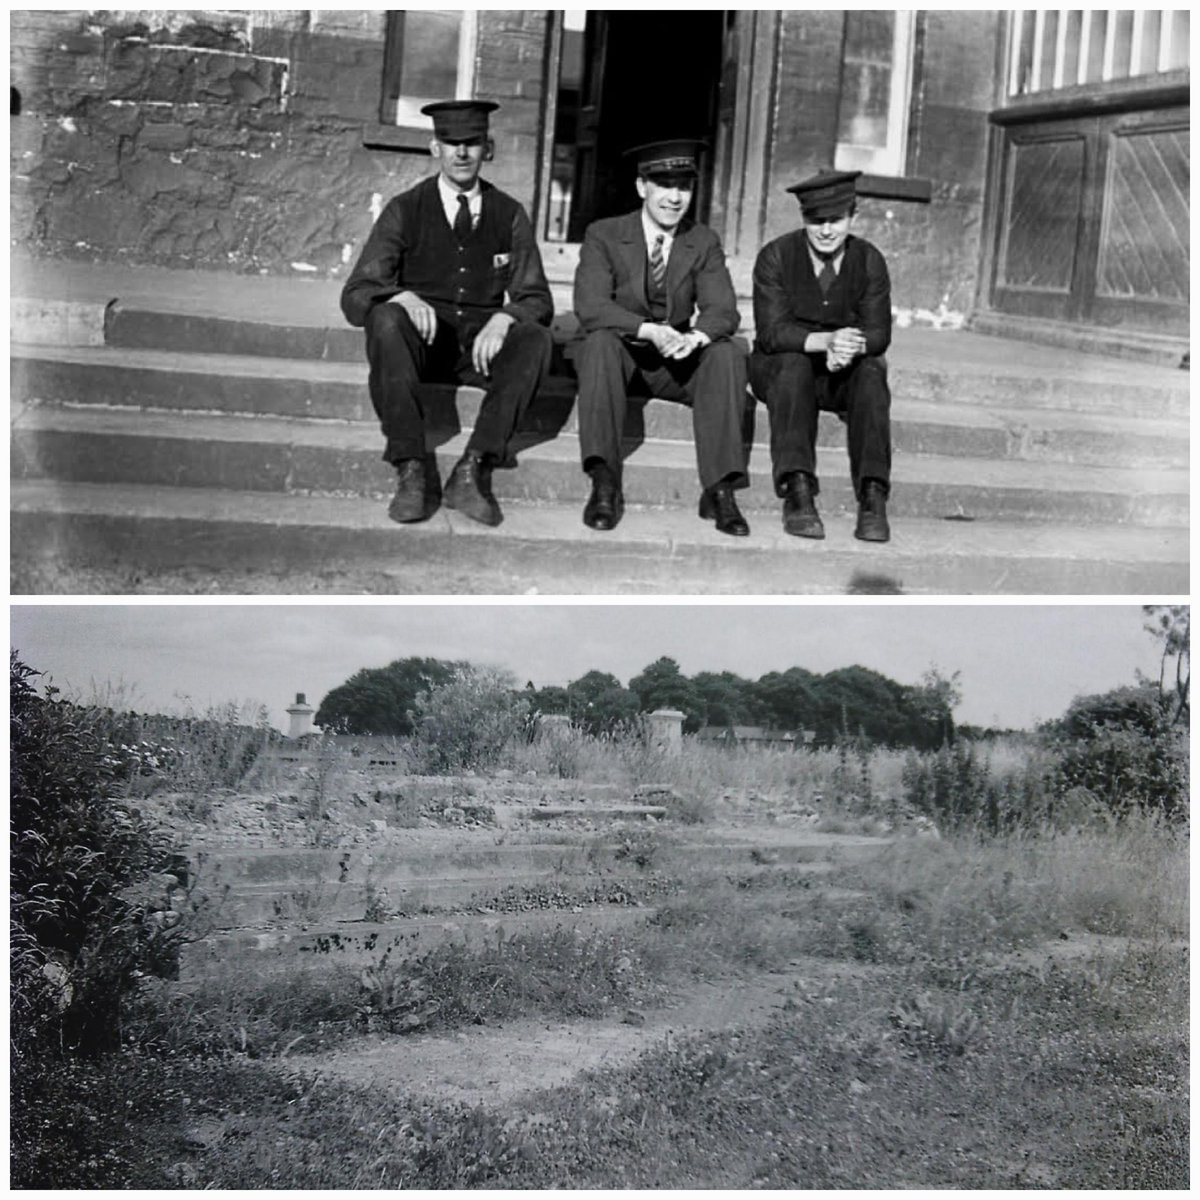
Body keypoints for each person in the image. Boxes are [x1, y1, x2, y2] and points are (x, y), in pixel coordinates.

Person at [340, 100, 553, 527]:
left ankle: (473, 468)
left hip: (480, 349)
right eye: (452, 143)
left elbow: (537, 298)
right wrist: (400, 296)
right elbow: (357, 294)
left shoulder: (508, 213)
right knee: (384, 319)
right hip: (422, 346)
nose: (462, 153)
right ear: (434, 148)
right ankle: (411, 468)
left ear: (486, 149)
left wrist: (506, 316)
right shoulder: (406, 208)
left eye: (472, 143)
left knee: (536, 338)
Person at [572, 138, 750, 536]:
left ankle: (720, 490)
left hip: (674, 362)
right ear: (642, 187)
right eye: (664, 185)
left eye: (684, 187)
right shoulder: (605, 234)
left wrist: (695, 338)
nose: (674, 198)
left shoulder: (702, 240)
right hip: (619, 358)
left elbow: (723, 310)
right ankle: (604, 482)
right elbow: (591, 306)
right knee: (599, 342)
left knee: (727, 354)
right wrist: (649, 330)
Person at [748, 168, 892, 542]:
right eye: (816, 220)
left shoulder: (869, 260)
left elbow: (879, 334)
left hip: (838, 374)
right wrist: (827, 341)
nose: (826, 230)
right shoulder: (776, 256)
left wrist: (850, 347)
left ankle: (873, 496)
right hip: (781, 371)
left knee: (872, 371)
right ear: (803, 218)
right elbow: (772, 333)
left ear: (853, 216)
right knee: (793, 364)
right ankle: (797, 492)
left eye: (836, 219)